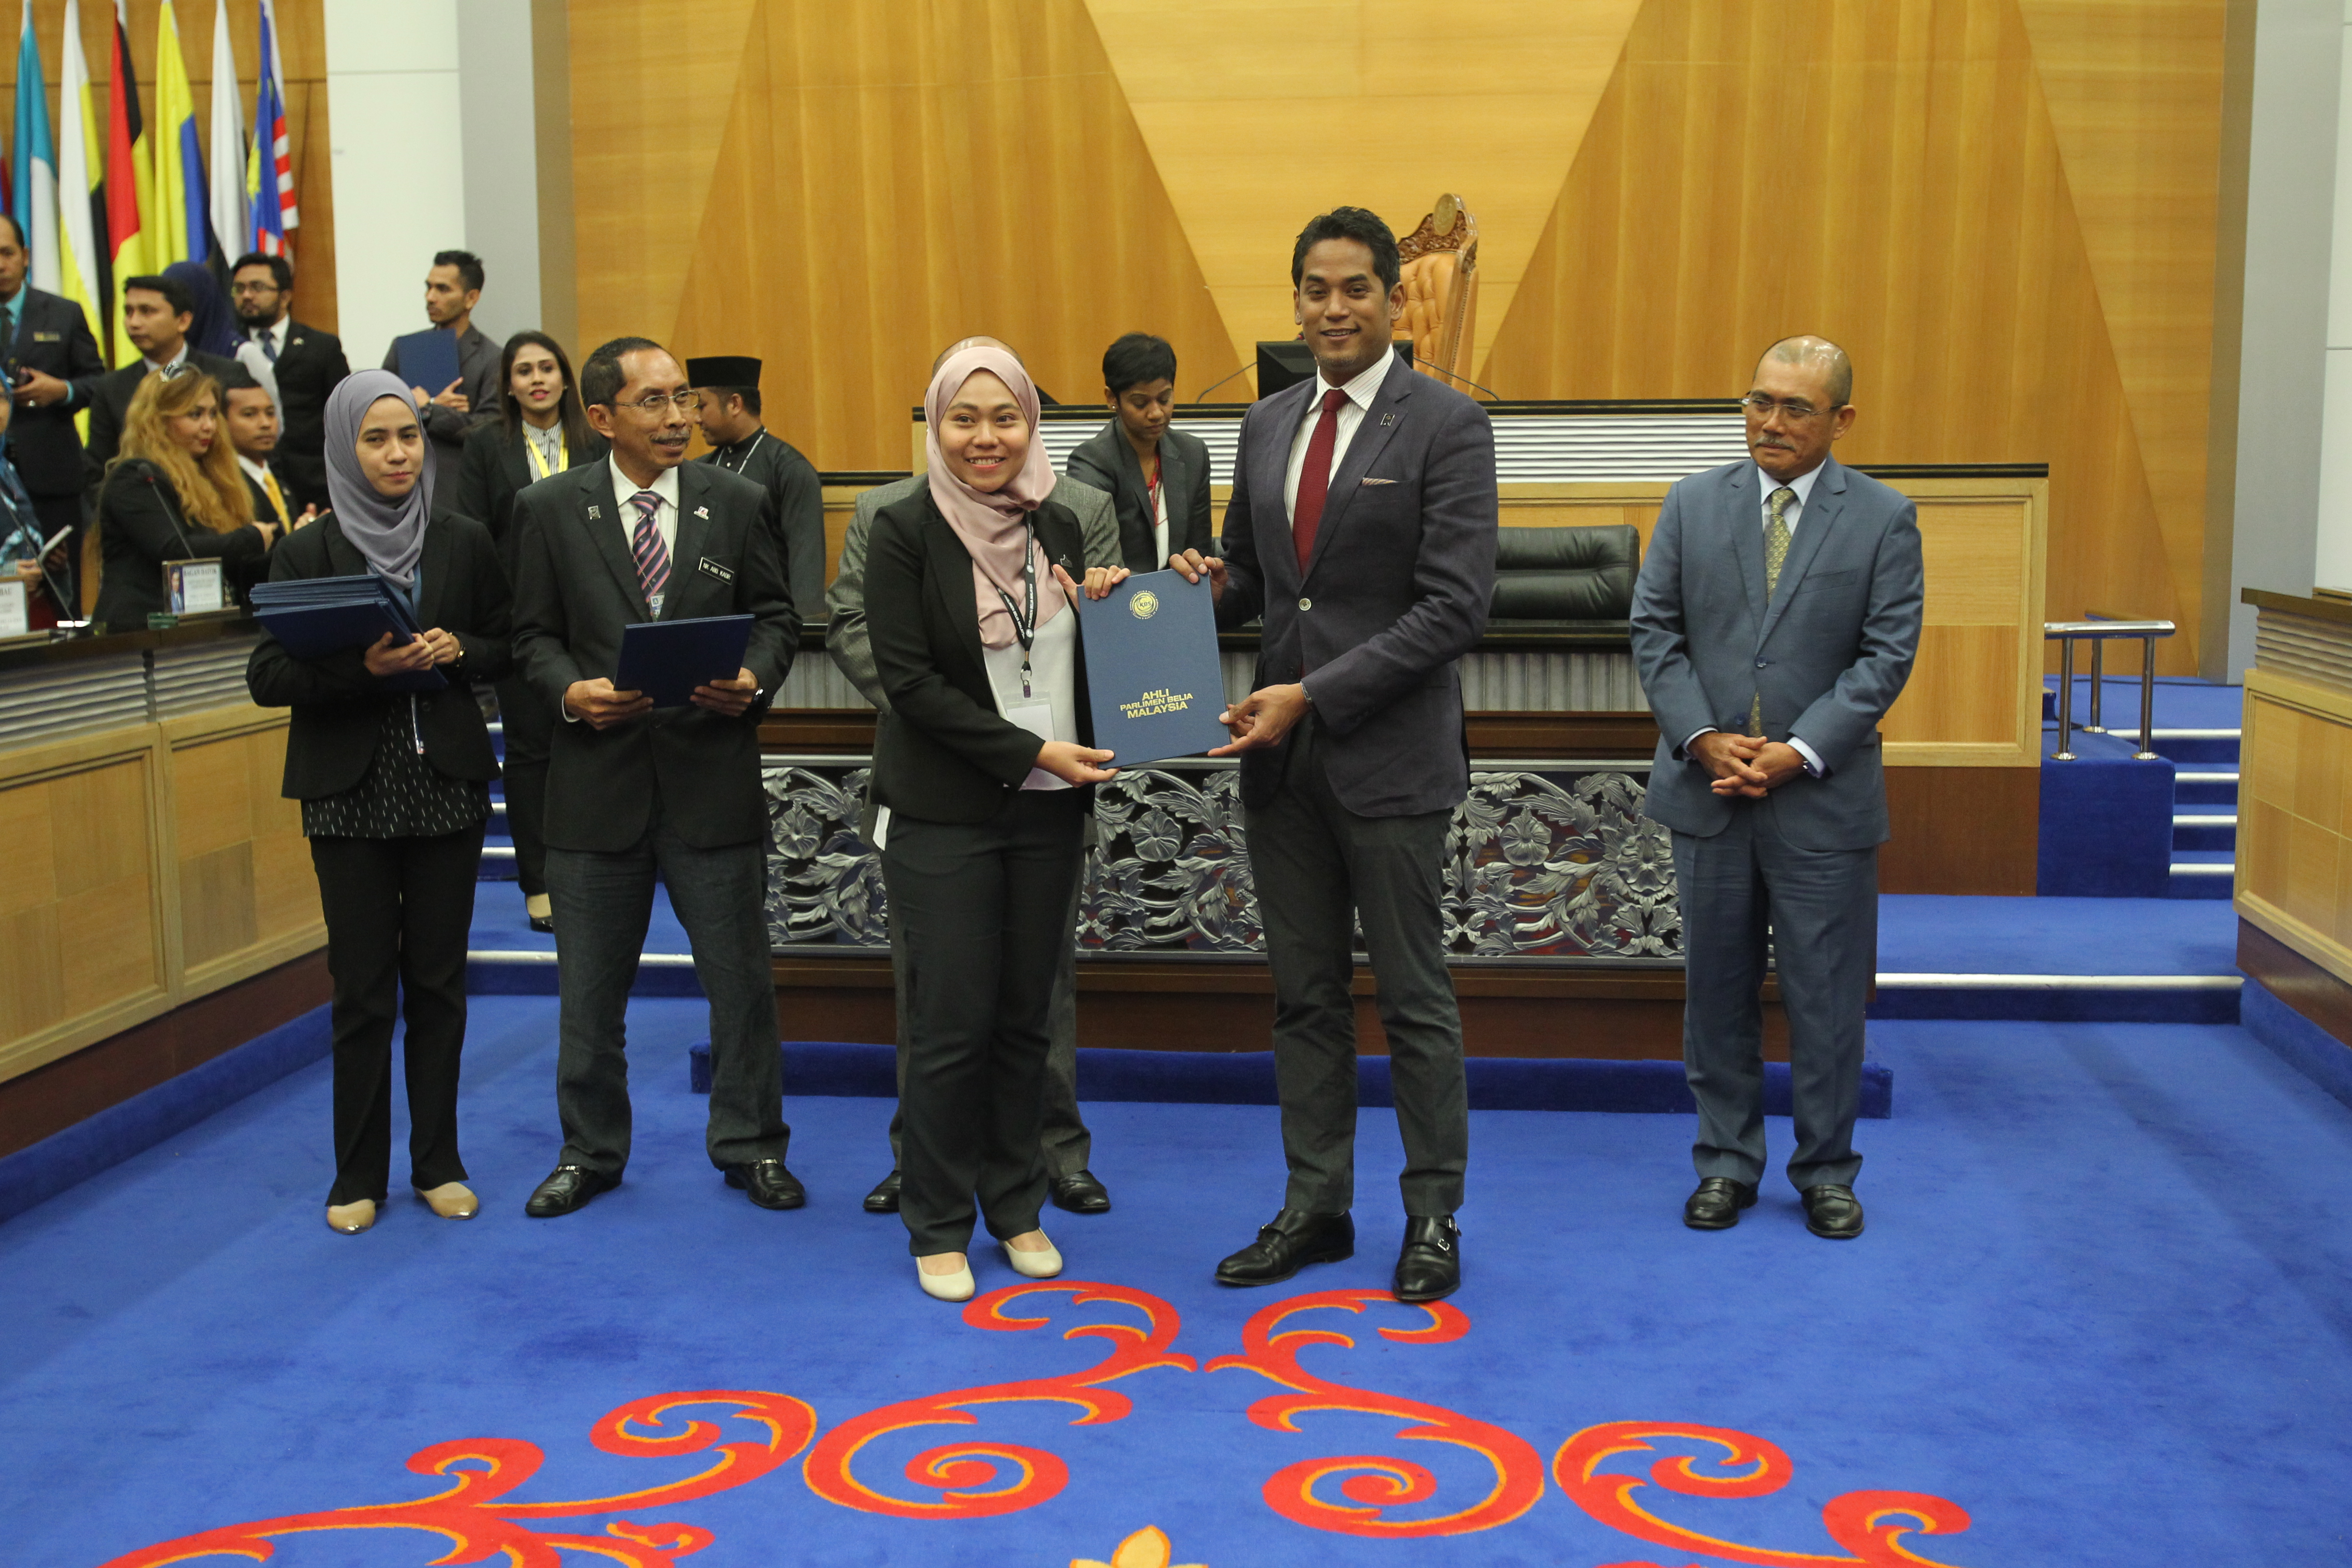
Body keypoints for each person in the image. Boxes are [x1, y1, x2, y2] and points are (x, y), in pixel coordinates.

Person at [1173, 206, 1496, 1304]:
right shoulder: (1263, 427)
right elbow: (1265, 585)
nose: (1334, 308)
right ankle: (1315, 1204)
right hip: (1284, 772)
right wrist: (1193, 583)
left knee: (1412, 999)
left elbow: (1454, 608)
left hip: (1390, 761)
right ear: (1296, 299)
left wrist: (1310, 693)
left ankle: (1433, 1214)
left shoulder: (1446, 423)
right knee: (1303, 999)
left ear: (1392, 299)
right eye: (1315, 289)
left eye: (1356, 288)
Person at [1628, 335, 1923, 1242]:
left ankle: (1826, 1170)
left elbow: (1885, 656)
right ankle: (1726, 1162)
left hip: (1820, 799)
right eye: (1759, 401)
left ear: (1841, 419)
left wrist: (1799, 748)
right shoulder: (1691, 502)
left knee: (1825, 998)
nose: (1771, 422)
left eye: (1795, 408)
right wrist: (1705, 736)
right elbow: (1655, 630)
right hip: (1709, 791)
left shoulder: (1882, 517)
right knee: (1715, 993)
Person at [828, 334, 1123, 1221]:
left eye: (1005, 416)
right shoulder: (895, 520)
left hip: (1047, 804)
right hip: (943, 795)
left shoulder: (1069, 517)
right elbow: (891, 661)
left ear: (1032, 422)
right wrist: (985, 735)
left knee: (1033, 1001)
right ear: (935, 421)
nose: (985, 436)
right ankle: (932, 1179)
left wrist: (1133, 607)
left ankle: (1032, 1173)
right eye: (964, 417)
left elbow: (1104, 658)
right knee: (943, 1006)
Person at [510, 336, 801, 1219]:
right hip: (596, 789)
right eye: (654, 402)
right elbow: (530, 637)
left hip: (710, 779)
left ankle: (751, 1144)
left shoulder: (739, 500)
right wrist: (570, 693)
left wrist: (755, 677)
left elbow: (778, 620)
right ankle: (590, 1151)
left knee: (740, 985)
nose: (677, 417)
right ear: (601, 417)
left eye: (682, 399)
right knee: (589, 996)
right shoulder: (549, 507)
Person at [245, 371, 511, 1236]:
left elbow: (509, 642)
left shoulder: (464, 537)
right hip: (348, 792)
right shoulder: (307, 550)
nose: (399, 454)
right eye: (377, 439)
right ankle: (358, 1173)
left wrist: (458, 647)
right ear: (343, 449)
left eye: (409, 437)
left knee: (439, 985)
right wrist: (359, 669)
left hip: (445, 787)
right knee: (362, 990)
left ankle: (439, 1162)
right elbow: (266, 675)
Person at [457, 331, 606, 933]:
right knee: (529, 753)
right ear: (509, 384)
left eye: (548, 367)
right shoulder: (485, 446)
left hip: (594, 614)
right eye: (525, 370)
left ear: (566, 378)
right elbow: (474, 530)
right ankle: (538, 882)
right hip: (523, 613)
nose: (538, 379)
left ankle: (598, 871)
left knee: (597, 747)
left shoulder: (594, 439)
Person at [89, 370, 281, 631]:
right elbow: (175, 552)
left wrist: (295, 546)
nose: (209, 426)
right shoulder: (136, 478)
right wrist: (252, 538)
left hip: (201, 625)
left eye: (213, 414)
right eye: (195, 415)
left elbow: (232, 566)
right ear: (157, 420)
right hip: (139, 632)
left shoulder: (213, 478)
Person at [1, 213, 107, 610]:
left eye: (6, 253)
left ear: (26, 256)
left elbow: (98, 383)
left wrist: (60, 391)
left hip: (52, 474)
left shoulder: (63, 312)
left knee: (61, 591)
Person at [686, 355, 825, 621]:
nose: (695, 418)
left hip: (766, 622)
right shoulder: (698, 470)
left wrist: (802, 634)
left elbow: (806, 568)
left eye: (702, 406)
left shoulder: (789, 469)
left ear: (735, 404)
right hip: (705, 620)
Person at [1064, 332, 1215, 572]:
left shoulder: (1193, 454)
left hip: (1182, 597)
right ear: (1112, 398)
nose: (1156, 413)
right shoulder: (1091, 463)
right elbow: (1096, 563)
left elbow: (1200, 551)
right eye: (1141, 403)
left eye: (1165, 399)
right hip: (1120, 598)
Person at [84, 275, 242, 483]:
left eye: (147, 312)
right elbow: (98, 470)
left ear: (183, 321)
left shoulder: (227, 375)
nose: (134, 323)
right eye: (129, 312)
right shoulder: (111, 387)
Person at [231, 251, 350, 511]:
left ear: (285, 296)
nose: (247, 296)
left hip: (315, 483)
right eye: (239, 289)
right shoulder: (228, 349)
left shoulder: (322, 347)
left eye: (257, 288)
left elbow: (343, 417)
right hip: (244, 483)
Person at [381, 250, 498, 470]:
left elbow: (490, 431)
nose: (430, 297)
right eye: (429, 287)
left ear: (471, 298)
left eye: (443, 289)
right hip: (406, 471)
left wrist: (429, 410)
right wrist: (433, 407)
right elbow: (380, 412)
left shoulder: (493, 358)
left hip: (462, 474)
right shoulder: (404, 348)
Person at [220, 367, 315, 535]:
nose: (265, 423)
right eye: (250, 414)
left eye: (271, 413)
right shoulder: (221, 483)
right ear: (221, 421)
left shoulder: (281, 477)